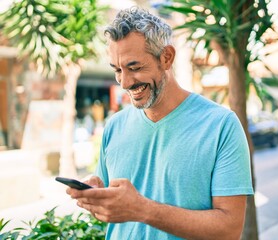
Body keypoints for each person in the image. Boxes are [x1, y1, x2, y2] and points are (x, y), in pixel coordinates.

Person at [67, 7, 253, 240]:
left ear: (166, 57)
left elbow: (229, 230)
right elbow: (116, 214)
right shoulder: (114, 126)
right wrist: (98, 199)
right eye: (117, 70)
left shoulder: (221, 126)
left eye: (134, 67)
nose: (124, 82)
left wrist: (142, 209)